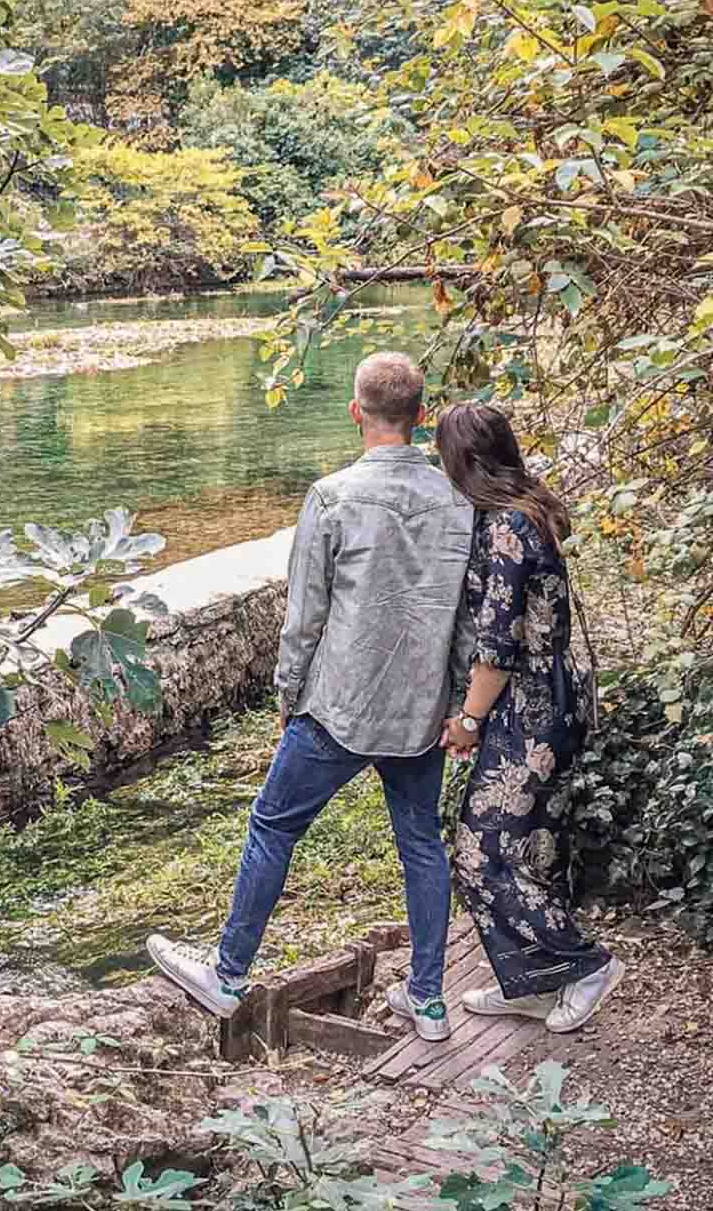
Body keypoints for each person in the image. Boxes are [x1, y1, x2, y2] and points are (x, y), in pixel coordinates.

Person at [148, 352, 475, 1041]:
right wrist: (457, 705)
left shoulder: (333, 497)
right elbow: (468, 620)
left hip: (338, 706)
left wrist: (288, 696)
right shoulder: (457, 499)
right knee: (421, 844)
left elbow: (305, 618)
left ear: (356, 413)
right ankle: (429, 1000)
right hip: (420, 710)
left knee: (273, 825)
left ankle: (228, 973)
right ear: (421, 415)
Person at [436, 402, 624, 1032]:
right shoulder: (528, 507)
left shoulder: (506, 528)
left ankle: (584, 965)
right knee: (523, 849)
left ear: (461, 460)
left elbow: (497, 647)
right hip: (547, 701)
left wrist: (466, 720)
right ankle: (533, 984)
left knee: (479, 852)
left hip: (530, 709)